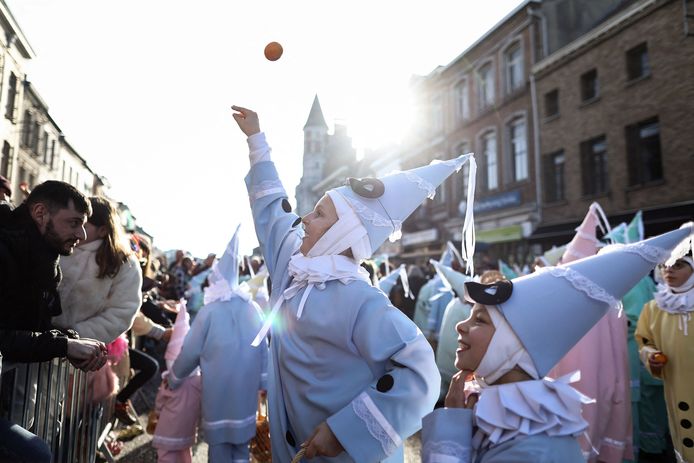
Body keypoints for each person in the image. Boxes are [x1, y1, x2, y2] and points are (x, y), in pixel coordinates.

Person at [232, 105, 475, 462]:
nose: (305, 219)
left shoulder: (359, 297)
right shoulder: (296, 266)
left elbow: (420, 371)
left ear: (342, 233)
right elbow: (272, 213)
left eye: (319, 215)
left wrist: (344, 431)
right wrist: (257, 140)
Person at [421, 224, 692, 463]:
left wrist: (452, 429)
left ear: (515, 344)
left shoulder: (534, 448)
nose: (461, 325)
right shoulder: (490, 412)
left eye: (480, 319)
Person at [0, 181, 108, 462]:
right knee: (34, 453)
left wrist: (68, 340)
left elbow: (30, 326)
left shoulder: (43, 255)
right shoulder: (6, 251)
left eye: (83, 224)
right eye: (73, 223)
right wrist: (64, 347)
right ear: (40, 213)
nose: (81, 234)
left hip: (13, 388)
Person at [168, 225, 268, 462]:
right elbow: (264, 346)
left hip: (218, 393)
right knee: (241, 448)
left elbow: (191, 350)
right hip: (245, 391)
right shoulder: (251, 307)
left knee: (220, 449)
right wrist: (265, 380)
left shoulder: (209, 311)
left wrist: (175, 377)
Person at [636, 230, 694, 463]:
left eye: (678, 265)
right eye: (665, 266)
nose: (669, 270)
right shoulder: (654, 307)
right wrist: (651, 355)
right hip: (677, 383)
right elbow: (644, 341)